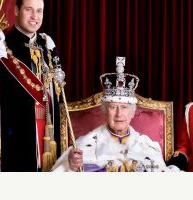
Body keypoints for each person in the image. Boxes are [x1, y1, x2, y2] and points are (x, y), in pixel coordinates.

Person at [0, 0, 62, 172]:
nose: (34, 17)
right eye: (29, 10)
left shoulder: (48, 47)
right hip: (12, 144)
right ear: (16, 10)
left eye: (39, 11)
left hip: (47, 140)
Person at [51, 57, 179, 172]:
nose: (119, 114)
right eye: (113, 107)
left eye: (124, 107)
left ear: (133, 112)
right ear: (105, 112)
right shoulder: (85, 145)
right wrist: (72, 166)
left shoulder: (146, 145)